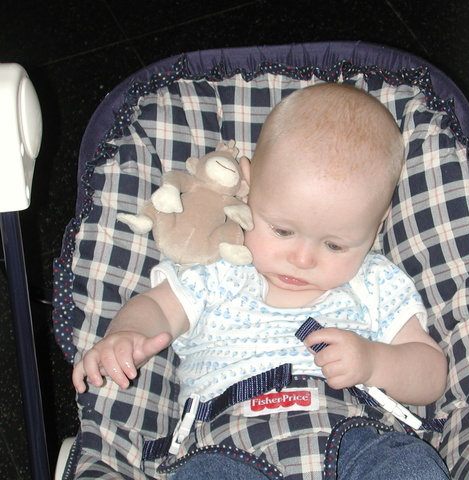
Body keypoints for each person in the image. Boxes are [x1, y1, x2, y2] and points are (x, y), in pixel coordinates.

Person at [72, 82, 449, 479]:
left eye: (335, 245)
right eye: (282, 231)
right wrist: (127, 334)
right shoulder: (217, 269)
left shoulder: (373, 282)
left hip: (356, 438)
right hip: (226, 443)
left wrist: (374, 362)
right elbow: (157, 308)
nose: (302, 260)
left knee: (410, 467)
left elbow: (431, 373)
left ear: (377, 223)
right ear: (249, 184)